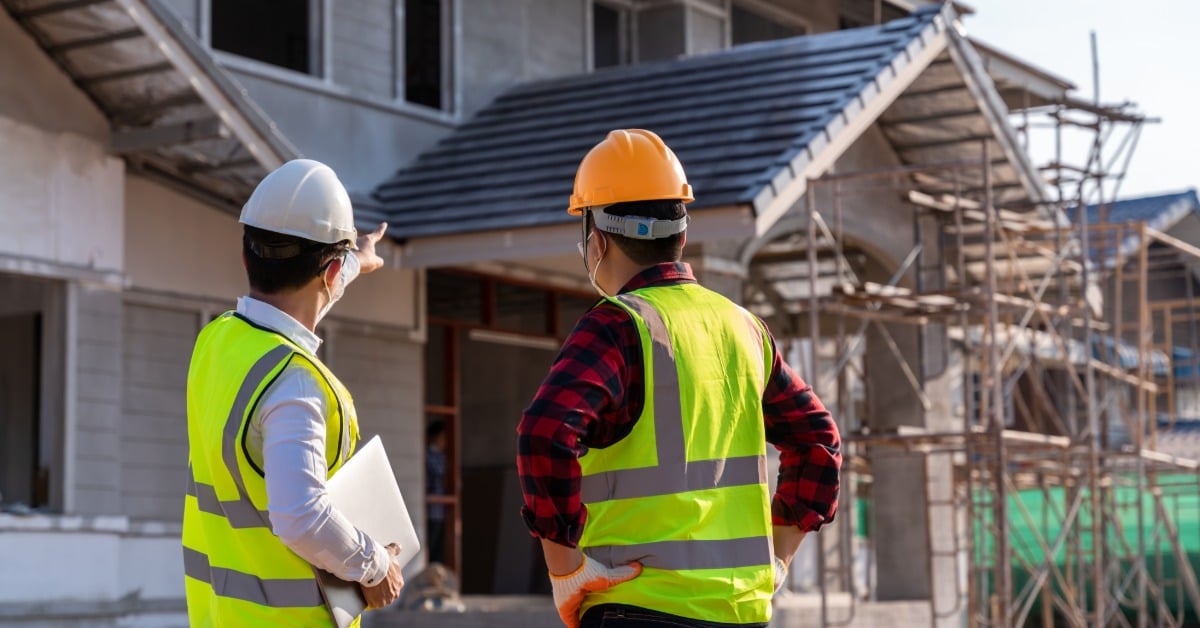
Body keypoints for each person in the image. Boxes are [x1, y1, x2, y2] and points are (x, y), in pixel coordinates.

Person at [516, 129, 842, 628]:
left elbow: (544, 432)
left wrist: (566, 571)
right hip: (741, 612)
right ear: (682, 234)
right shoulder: (745, 328)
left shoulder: (618, 324)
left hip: (637, 606)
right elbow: (819, 440)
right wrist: (778, 555)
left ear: (596, 240)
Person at [183, 159, 405, 626]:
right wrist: (375, 565)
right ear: (328, 273)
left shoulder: (217, 341)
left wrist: (353, 261)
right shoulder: (294, 382)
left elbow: (304, 295)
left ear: (246, 255)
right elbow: (300, 516)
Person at [425, 419, 448, 564]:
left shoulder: (445, 457)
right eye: (442, 437)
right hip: (432, 510)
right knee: (431, 550)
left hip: (442, 510)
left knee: (440, 552)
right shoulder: (427, 456)